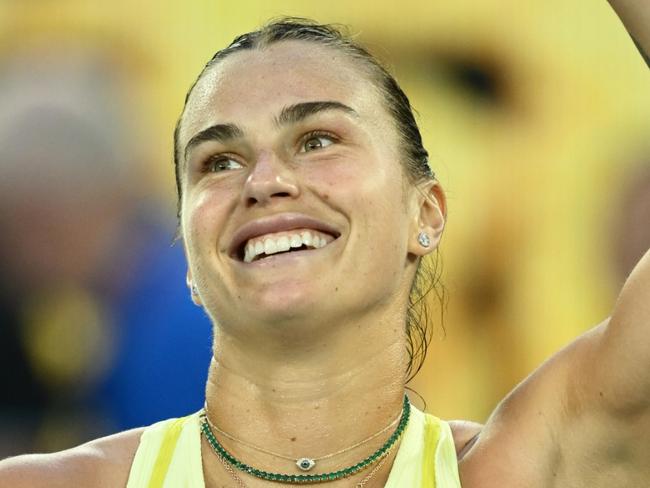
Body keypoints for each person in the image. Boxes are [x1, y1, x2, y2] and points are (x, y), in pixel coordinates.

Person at [0, 1, 648, 486]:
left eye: (317, 141)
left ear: (426, 211)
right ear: (188, 258)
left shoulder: (528, 466)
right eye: (219, 160)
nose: (264, 181)